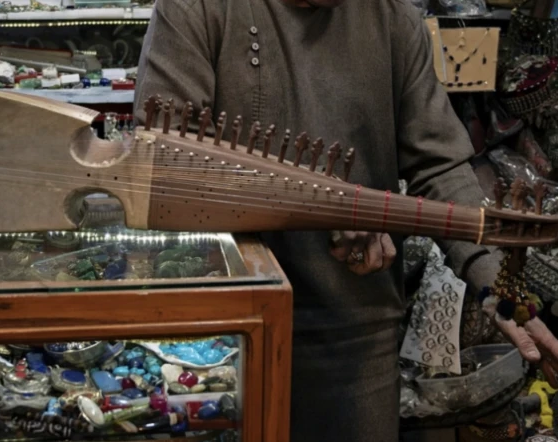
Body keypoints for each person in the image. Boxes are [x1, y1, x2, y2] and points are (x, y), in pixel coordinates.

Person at [133, 0, 558, 439]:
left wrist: (497, 283)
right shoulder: (197, 8)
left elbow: (440, 166)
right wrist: (326, 208)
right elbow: (164, 167)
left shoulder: (393, 18)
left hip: (357, 333)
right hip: (224, 334)